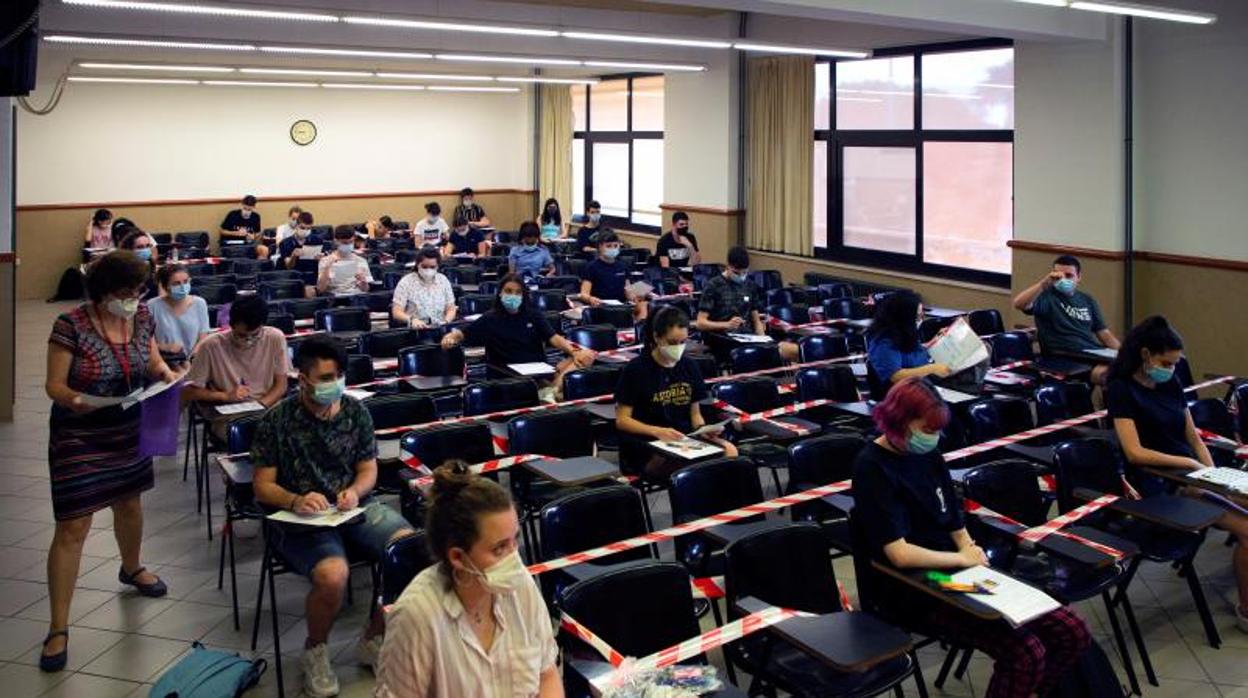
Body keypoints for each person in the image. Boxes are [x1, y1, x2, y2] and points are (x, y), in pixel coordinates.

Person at [853, 377, 1092, 697]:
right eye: (928, 429)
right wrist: (962, 558)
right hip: (920, 584)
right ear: (899, 421)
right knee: (1026, 654)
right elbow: (899, 554)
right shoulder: (872, 467)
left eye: (938, 430)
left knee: (1071, 631)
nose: (935, 437)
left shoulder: (928, 454)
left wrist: (967, 545)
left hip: (958, 571)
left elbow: (952, 516)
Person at [250, 336, 417, 697]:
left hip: (351, 507)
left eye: (339, 375)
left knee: (408, 552)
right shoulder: (277, 421)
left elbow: (368, 470)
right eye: (325, 377)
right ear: (302, 378)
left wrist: (355, 491)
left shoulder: (356, 413)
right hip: (298, 517)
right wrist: (296, 499)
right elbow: (262, 487)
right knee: (333, 574)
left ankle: (374, 636)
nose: (334, 384)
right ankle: (316, 649)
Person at [42, 251, 181, 672]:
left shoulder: (142, 319)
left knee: (130, 503)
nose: (133, 300)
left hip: (128, 425)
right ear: (103, 292)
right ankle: (58, 627)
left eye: (138, 292)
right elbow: (54, 386)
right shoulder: (71, 325)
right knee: (73, 525)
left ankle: (132, 567)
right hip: (79, 430)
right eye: (125, 293)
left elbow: (153, 361)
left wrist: (167, 377)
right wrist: (76, 400)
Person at [1106, 316, 1248, 631]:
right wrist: (1190, 467)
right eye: (1166, 362)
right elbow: (1134, 452)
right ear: (1145, 355)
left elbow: (1193, 438)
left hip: (1193, 475)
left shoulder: (1169, 383)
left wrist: (1214, 474)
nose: (1171, 368)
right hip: (1160, 482)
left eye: (1174, 363)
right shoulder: (1121, 389)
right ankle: (1246, 611)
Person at [374, 462, 562, 697]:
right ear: (458, 557)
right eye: (499, 548)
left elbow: (547, 675)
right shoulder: (416, 617)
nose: (515, 558)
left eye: (515, 540)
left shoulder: (520, 584)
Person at [616, 306, 737, 480]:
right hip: (647, 444)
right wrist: (657, 431)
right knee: (696, 468)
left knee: (729, 452)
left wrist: (704, 430)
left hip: (684, 438)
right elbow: (622, 421)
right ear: (657, 337)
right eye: (672, 343)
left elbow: (695, 415)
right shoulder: (635, 370)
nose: (678, 348)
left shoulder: (689, 366)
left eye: (683, 342)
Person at [441, 274, 594, 383]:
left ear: (523, 295)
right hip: (507, 375)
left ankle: (552, 391)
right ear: (500, 293)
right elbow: (461, 334)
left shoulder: (533, 315)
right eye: (508, 291)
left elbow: (554, 338)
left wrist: (575, 352)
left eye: (518, 292)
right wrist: (450, 337)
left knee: (586, 357)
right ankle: (552, 392)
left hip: (538, 370)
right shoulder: (490, 318)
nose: (513, 295)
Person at [182, 295, 290, 440]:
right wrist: (225, 396)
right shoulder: (211, 346)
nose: (246, 341)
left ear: (262, 326)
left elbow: (281, 385)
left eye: (253, 336)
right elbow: (189, 392)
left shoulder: (275, 338)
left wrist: (261, 405)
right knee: (258, 439)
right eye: (240, 335)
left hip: (267, 407)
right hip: (230, 416)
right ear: (231, 325)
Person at [1012, 254, 1120, 385]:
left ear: (1079, 277)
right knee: (1107, 374)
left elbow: (1104, 333)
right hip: (1063, 355)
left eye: (1069, 276)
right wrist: (1043, 284)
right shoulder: (1047, 297)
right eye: (1058, 276)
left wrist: (1125, 352)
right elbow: (1019, 303)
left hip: (1090, 352)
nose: (1063, 280)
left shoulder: (1087, 300)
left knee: (1128, 368)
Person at [695, 246, 799, 362]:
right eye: (736, 273)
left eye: (744, 272)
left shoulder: (749, 286)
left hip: (747, 336)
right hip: (722, 338)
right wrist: (726, 324)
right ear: (728, 266)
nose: (740, 276)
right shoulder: (713, 286)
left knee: (790, 350)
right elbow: (700, 323)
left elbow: (756, 320)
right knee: (774, 352)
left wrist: (763, 338)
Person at [866, 291, 951, 386]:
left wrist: (934, 341)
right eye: (917, 317)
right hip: (903, 392)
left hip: (922, 384)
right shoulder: (883, 341)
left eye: (921, 315)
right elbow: (896, 376)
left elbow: (910, 351)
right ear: (904, 318)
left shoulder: (902, 332)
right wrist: (932, 369)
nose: (920, 320)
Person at [147, 263, 211, 366]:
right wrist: (163, 347)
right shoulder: (152, 306)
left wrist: (192, 359)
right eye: (176, 283)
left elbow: (203, 336)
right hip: (164, 364)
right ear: (166, 286)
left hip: (194, 363)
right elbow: (145, 343)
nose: (182, 287)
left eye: (185, 282)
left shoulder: (199, 303)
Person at [579, 231, 648, 320]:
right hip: (601, 307)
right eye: (608, 246)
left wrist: (637, 296)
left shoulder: (623, 266)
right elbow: (583, 294)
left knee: (644, 306)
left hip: (621, 307)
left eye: (615, 246)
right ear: (600, 247)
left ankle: (640, 331)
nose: (613, 249)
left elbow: (628, 291)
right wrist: (590, 299)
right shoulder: (591, 267)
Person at [392, 248, 457, 329]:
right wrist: (411, 320)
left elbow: (451, 308)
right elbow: (396, 312)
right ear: (417, 264)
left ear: (437, 267)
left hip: (440, 327)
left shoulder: (443, 280)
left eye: (432, 267)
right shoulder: (406, 282)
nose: (428, 270)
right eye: (424, 266)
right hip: (416, 330)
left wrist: (446, 321)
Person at [317, 225, 375, 297]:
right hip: (336, 297)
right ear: (336, 241)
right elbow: (320, 289)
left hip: (356, 297)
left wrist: (363, 283)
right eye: (344, 243)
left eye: (351, 242)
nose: (348, 245)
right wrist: (327, 269)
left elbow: (366, 289)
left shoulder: (361, 261)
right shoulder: (326, 261)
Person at [219, 194, 269, 259]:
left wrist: (253, 236)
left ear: (253, 208)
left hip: (247, 244)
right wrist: (235, 233)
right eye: (245, 209)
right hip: (232, 244)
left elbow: (258, 232)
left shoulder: (256, 217)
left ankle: (258, 267)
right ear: (242, 205)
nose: (246, 212)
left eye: (249, 210)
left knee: (264, 249)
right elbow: (222, 231)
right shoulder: (232, 215)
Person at [119, 230, 159, 301]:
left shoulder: (151, 267)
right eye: (140, 247)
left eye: (148, 246)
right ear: (129, 250)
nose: (145, 250)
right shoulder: (122, 272)